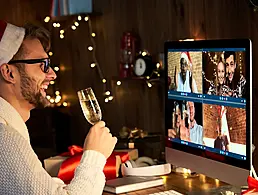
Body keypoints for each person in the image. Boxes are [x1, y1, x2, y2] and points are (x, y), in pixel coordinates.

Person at [0, 20, 117, 194]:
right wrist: (95, 155)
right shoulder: (4, 137)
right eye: (43, 65)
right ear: (9, 73)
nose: (52, 75)